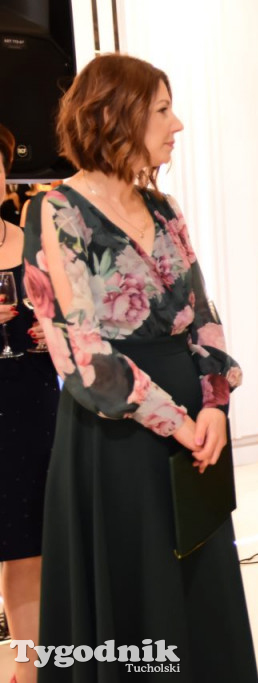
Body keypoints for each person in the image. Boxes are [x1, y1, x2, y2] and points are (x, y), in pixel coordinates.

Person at [22, 54, 258, 681]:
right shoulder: (56, 210)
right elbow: (82, 353)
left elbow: (202, 316)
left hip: (195, 432)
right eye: (162, 110)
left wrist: (214, 406)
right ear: (114, 116)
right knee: (136, 600)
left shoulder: (165, 208)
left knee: (200, 603)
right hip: (118, 436)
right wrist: (178, 422)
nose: (177, 125)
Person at [0, 124, 59, 683]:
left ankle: (29, 664)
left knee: (29, 543)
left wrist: (49, 327)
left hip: (33, 399)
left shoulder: (30, 237)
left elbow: (64, 310)